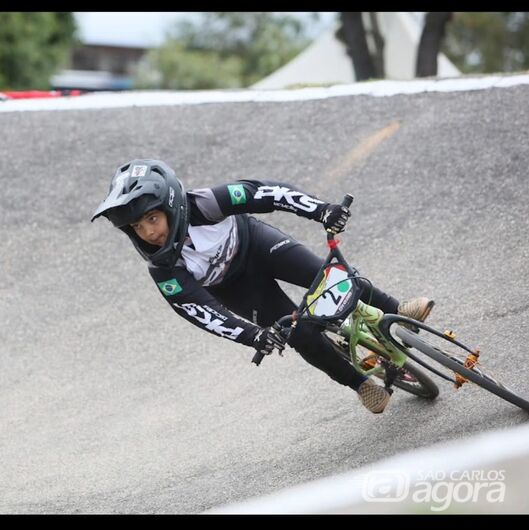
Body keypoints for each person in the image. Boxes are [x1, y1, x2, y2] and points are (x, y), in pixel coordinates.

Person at [91, 159, 434, 414]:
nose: (149, 233)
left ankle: (395, 309)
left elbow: (269, 194)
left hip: (256, 245)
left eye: (153, 219)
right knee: (299, 335)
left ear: (170, 206)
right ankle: (360, 384)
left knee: (328, 275)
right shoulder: (163, 270)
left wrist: (321, 211)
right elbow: (203, 313)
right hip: (238, 288)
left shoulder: (206, 204)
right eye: (138, 226)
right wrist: (252, 336)